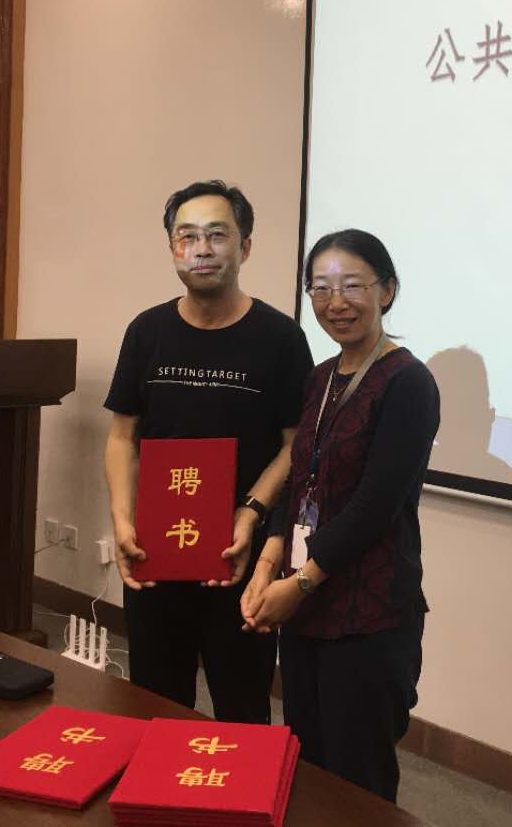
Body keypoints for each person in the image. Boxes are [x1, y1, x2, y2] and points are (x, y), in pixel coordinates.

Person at [240, 229, 440, 803]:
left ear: (387, 291)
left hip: (367, 612)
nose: (336, 303)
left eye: (353, 286)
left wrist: (300, 583)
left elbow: (375, 506)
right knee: (308, 762)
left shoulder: (408, 382)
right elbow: (301, 476)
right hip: (307, 604)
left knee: (358, 781)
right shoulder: (322, 376)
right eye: (321, 289)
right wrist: (269, 562)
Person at [103, 180, 313, 723]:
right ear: (172, 247)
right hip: (156, 551)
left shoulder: (281, 338)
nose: (201, 249)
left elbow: (295, 446)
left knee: (241, 709)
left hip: (240, 556)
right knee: (154, 704)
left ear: (245, 247)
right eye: (187, 236)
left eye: (217, 235)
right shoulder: (147, 332)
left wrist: (252, 511)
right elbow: (122, 436)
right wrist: (123, 520)